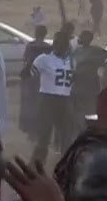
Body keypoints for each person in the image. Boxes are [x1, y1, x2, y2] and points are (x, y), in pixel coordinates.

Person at [32, 29, 77, 162]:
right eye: (57, 43)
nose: (59, 46)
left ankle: (66, 162)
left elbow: (74, 79)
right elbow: (28, 75)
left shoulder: (72, 61)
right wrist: (29, 61)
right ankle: (38, 163)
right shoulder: (44, 59)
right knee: (44, 135)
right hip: (48, 99)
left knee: (66, 134)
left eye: (63, 43)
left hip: (65, 99)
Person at [72, 30, 107, 115]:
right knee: (79, 104)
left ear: (88, 38)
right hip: (79, 80)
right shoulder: (77, 50)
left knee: (91, 103)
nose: (79, 38)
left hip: (91, 80)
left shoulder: (95, 49)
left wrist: (101, 64)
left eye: (81, 36)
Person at [19, 25, 52, 136]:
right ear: (45, 34)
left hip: (30, 78)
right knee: (40, 103)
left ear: (36, 33)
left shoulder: (30, 46)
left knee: (29, 103)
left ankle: (29, 128)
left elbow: (26, 60)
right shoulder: (48, 47)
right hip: (42, 78)